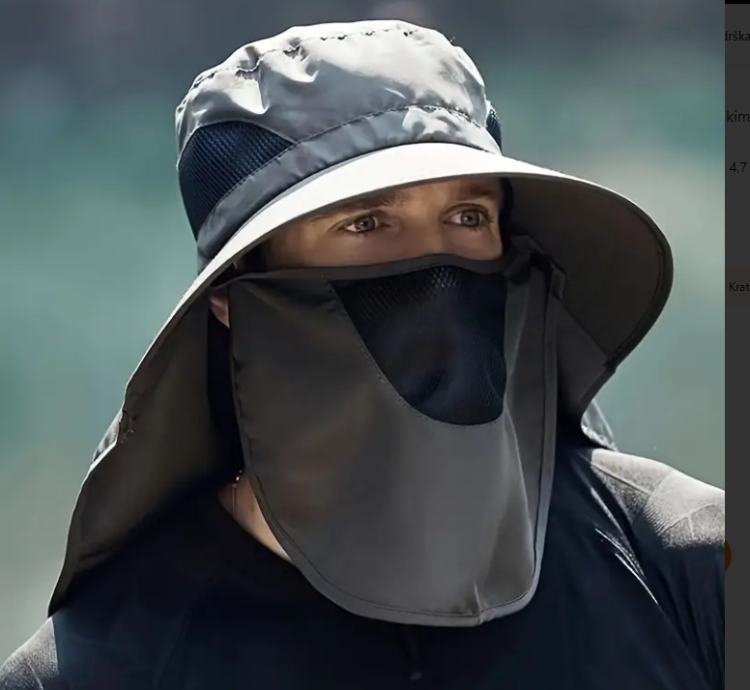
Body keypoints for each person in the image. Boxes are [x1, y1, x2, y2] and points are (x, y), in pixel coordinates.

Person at [0, 19, 724, 690]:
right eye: (367, 223)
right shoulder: (96, 669)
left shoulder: (689, 566)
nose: (437, 266)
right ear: (233, 296)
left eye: (467, 215)